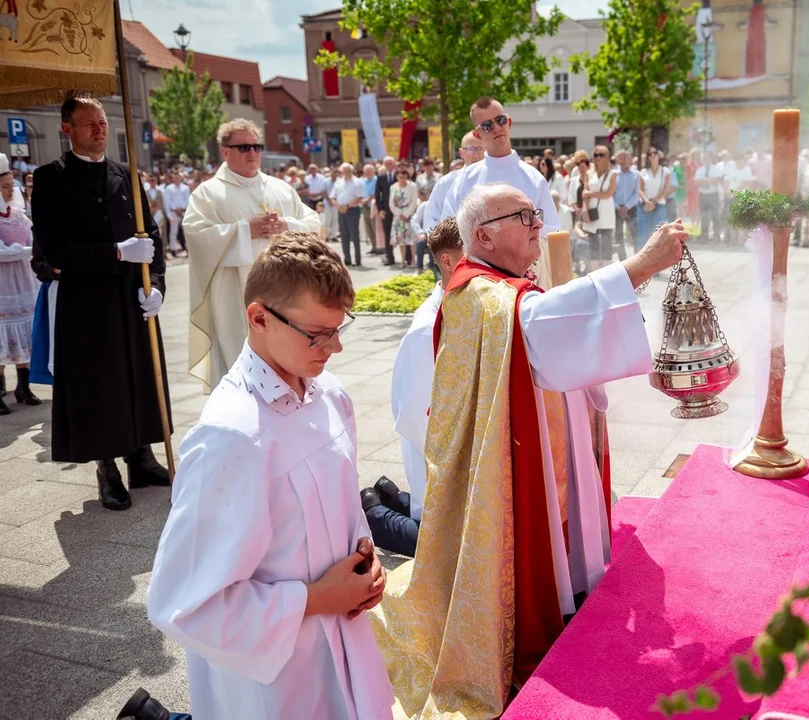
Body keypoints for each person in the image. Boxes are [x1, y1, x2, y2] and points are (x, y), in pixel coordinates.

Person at [369, 183, 687, 718]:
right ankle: (379, 511)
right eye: (524, 216)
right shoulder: (479, 291)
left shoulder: (507, 286)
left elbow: (554, 332)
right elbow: (540, 325)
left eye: (535, 213)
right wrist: (642, 264)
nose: (537, 224)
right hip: (504, 462)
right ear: (484, 235)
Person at [146, 232, 394, 720]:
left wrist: (366, 563)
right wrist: (316, 599)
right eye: (318, 333)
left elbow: (342, 504)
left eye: (339, 327)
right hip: (280, 677)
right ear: (259, 318)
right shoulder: (231, 437)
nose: (336, 347)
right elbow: (182, 601)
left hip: (345, 636)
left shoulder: (330, 394)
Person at [32, 95, 171, 511]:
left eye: (103, 121)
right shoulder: (51, 178)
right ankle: (106, 467)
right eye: (88, 123)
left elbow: (153, 237)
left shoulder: (126, 174)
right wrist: (114, 252)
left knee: (142, 375)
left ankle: (141, 457)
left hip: (132, 296)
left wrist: (158, 284)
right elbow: (55, 249)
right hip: (88, 303)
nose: (99, 129)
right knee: (100, 384)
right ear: (67, 128)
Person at [182, 118, 321, 393]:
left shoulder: (279, 188)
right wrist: (245, 231)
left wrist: (287, 226)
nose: (253, 153)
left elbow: (314, 223)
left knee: (289, 363)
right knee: (243, 365)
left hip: (286, 292)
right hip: (236, 297)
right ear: (225, 151)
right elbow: (197, 236)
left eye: (257, 146)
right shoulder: (208, 194)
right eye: (244, 147)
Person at [365, 218, 465, 557]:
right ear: (449, 261)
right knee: (450, 548)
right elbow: (417, 417)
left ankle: (391, 497)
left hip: (451, 461)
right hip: (439, 461)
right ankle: (374, 516)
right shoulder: (429, 329)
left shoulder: (459, 307)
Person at [440, 97, 558, 284]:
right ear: (477, 134)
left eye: (500, 120)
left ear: (509, 122)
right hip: (479, 281)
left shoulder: (534, 178)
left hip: (527, 280)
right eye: (487, 125)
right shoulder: (463, 180)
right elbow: (449, 232)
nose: (496, 128)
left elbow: (550, 234)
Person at [0, 154, 40, 414]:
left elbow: (35, 239)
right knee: (2, 335)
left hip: (23, 281)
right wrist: (27, 251)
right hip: (2, 284)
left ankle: (23, 386)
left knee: (25, 333)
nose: (10, 189)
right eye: (4, 186)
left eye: (10, 185)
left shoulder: (19, 215)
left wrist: (28, 250)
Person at [422, 132, 485, 231]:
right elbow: (431, 218)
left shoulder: (494, 178)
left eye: (480, 149)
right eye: (471, 149)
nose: (476, 154)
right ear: (461, 153)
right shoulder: (447, 182)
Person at [330, 162, 364, 266]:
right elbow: (332, 197)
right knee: (344, 235)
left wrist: (347, 206)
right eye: (344, 171)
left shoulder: (357, 182)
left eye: (348, 170)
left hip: (352, 210)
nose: (346, 173)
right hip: (341, 210)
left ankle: (357, 259)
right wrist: (338, 206)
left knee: (354, 235)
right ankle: (347, 258)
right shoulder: (338, 182)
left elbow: (359, 197)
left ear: (351, 170)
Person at [638, 147, 670, 249]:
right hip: (644, 205)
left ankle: (659, 256)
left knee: (659, 232)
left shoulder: (665, 171)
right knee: (644, 233)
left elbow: (665, 190)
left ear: (658, 155)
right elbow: (640, 189)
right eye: (650, 154)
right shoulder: (643, 172)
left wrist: (653, 202)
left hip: (659, 205)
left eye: (655, 153)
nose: (652, 155)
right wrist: (647, 202)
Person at [389, 165, 418, 267]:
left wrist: (406, 214)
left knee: (411, 240)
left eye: (404, 177)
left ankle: (413, 261)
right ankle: (403, 261)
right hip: (398, 217)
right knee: (401, 239)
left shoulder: (412, 186)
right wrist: (399, 214)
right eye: (400, 177)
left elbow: (414, 202)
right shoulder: (393, 187)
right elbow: (391, 203)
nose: (402, 179)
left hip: (409, 215)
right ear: (397, 176)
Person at [612, 151, 639, 260]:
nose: (623, 160)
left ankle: (637, 259)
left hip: (631, 208)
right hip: (616, 208)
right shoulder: (613, 174)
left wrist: (626, 207)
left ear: (630, 159)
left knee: (634, 235)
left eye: (625, 157)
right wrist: (618, 207)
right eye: (620, 157)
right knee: (618, 235)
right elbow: (610, 193)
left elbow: (637, 193)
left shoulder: (636, 174)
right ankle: (622, 260)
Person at [694, 151, 725, 244]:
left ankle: (716, 237)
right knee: (704, 217)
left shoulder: (716, 169)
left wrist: (705, 180)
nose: (705, 160)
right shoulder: (700, 170)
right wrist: (710, 180)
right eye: (704, 158)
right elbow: (696, 182)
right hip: (703, 195)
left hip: (713, 194)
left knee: (715, 216)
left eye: (707, 158)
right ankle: (704, 237)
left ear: (711, 159)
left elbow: (718, 180)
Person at [375, 156, 398, 265]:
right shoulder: (381, 177)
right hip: (386, 211)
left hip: (399, 210)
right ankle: (390, 258)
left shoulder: (399, 175)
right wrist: (380, 210)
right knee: (387, 235)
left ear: (394, 164)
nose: (388, 165)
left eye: (390, 163)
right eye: (386, 164)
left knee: (403, 233)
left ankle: (408, 258)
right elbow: (377, 195)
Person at [162, 170, 190, 257]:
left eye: (178, 177)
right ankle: (173, 249)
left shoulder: (186, 188)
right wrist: (169, 213)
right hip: (173, 212)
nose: (177, 179)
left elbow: (187, 199)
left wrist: (182, 208)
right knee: (173, 232)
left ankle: (188, 248)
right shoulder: (169, 188)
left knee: (187, 231)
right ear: (172, 178)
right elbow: (167, 202)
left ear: (181, 178)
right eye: (175, 177)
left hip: (184, 211)